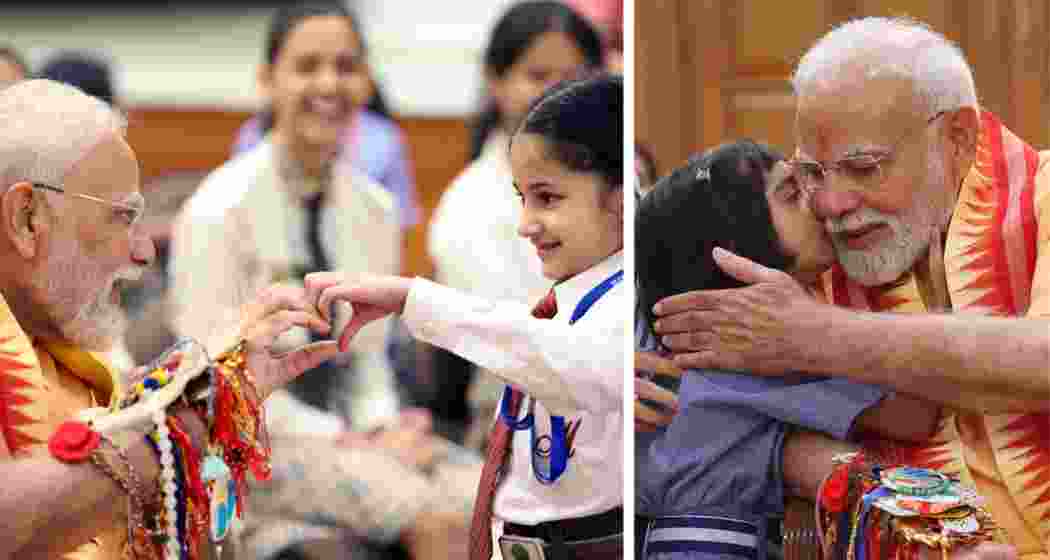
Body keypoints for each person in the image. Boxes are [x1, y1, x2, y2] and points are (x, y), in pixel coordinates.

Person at [651, 17, 1049, 559]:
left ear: (958, 136)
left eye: (863, 168)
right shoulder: (807, 261)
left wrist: (817, 335)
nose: (831, 204)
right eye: (814, 173)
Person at [168, 5, 477, 559]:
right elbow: (209, 380)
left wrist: (383, 427)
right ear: (267, 80)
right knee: (438, 521)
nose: (329, 84)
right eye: (307, 66)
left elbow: (368, 361)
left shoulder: (375, 208)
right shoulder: (217, 211)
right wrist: (347, 437)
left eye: (346, 66)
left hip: (351, 435)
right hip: (257, 442)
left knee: (485, 494)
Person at [0, 78, 339, 559]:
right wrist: (203, 406)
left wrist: (212, 378)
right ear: (27, 218)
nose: (142, 252)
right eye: (122, 216)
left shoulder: (68, 354)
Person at [307, 74, 626, 560]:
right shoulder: (566, 305)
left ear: (620, 197)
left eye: (548, 197)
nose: (526, 224)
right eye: (522, 198)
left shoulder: (630, 304)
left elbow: (564, 359)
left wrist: (415, 299)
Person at [635, 142, 940, 560]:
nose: (819, 200)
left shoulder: (678, 349)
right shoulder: (752, 352)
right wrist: (935, 302)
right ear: (735, 253)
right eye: (791, 195)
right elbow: (913, 416)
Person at [427, 0, 606, 450]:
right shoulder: (468, 203)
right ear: (496, 82)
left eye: (574, 78)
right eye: (537, 76)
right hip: (511, 427)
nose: (559, 94)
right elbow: (508, 345)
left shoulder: (615, 184)